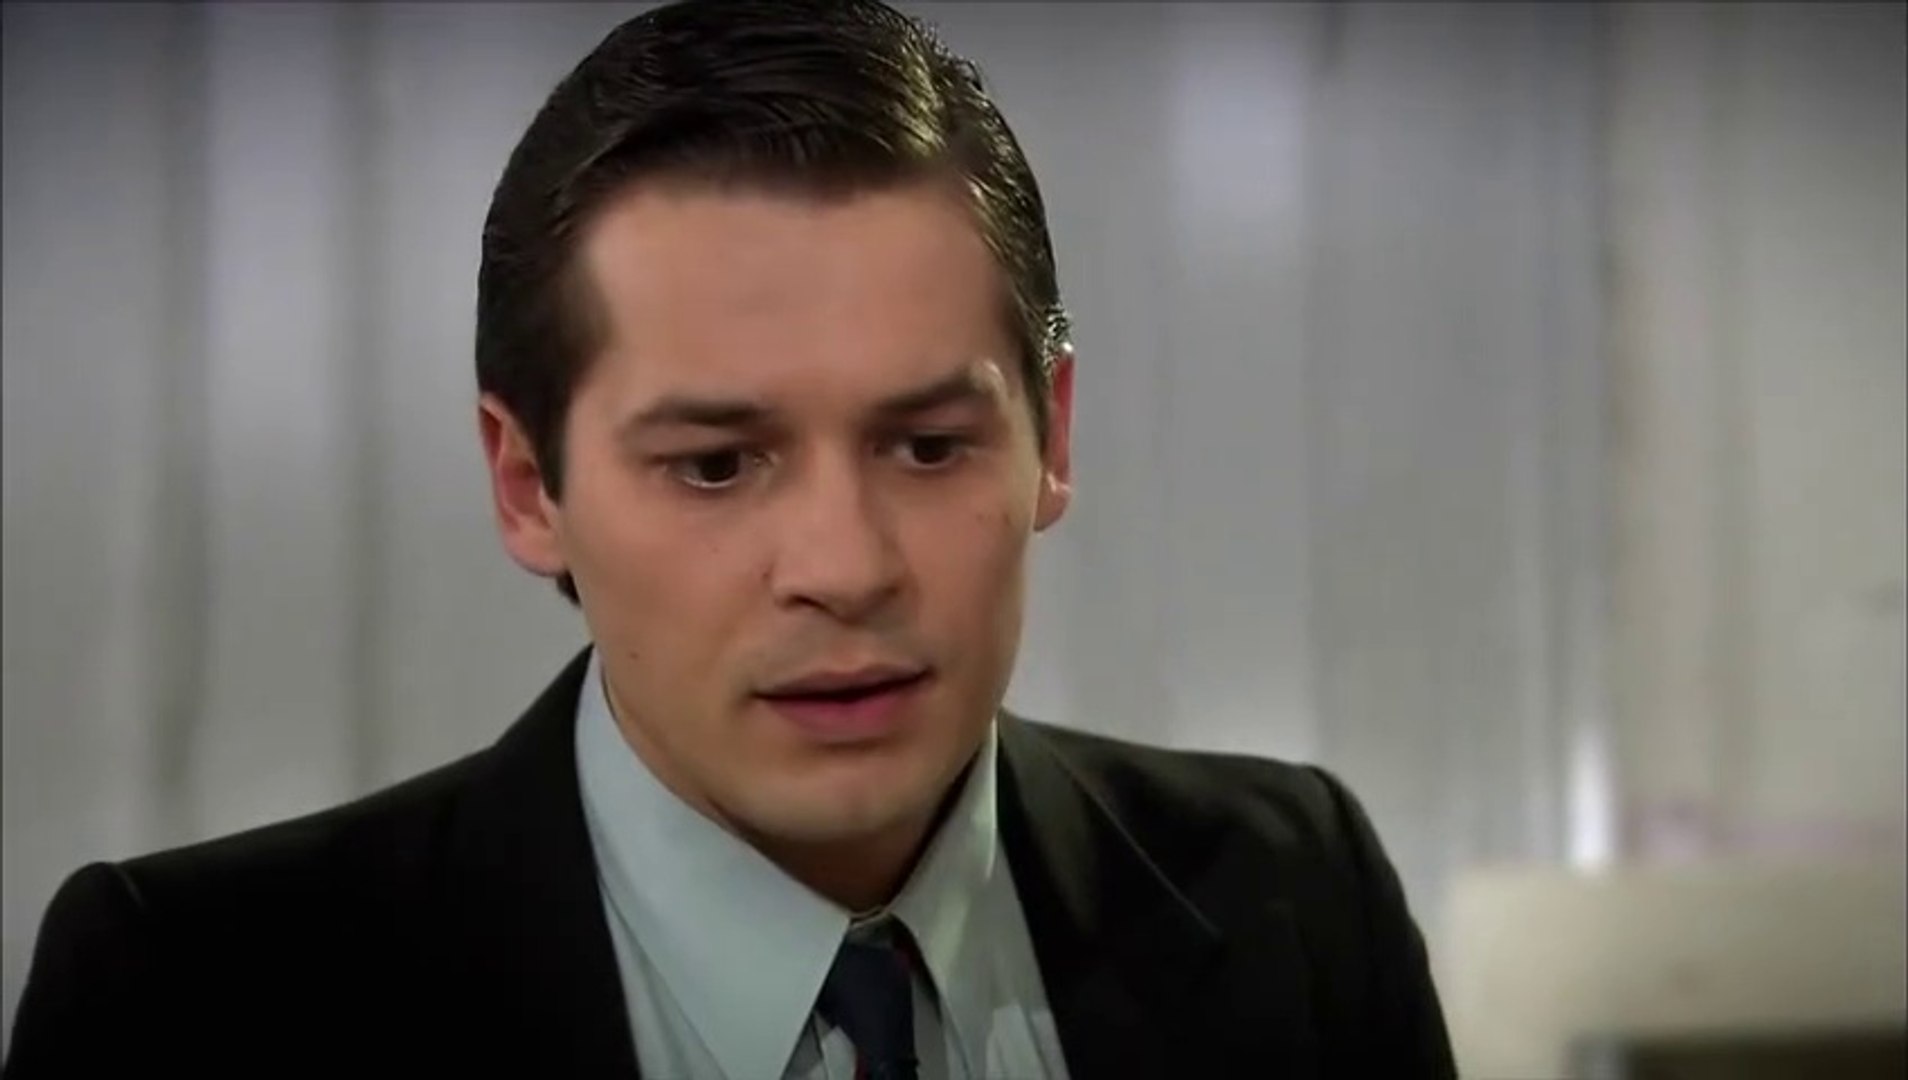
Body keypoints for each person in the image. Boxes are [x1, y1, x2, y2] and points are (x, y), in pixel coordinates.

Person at [4, 1, 1455, 1076]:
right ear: (528, 485)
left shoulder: (1294, 894)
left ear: (1052, 439)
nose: (846, 566)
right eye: (714, 465)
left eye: (929, 445)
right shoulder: (197, 999)